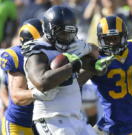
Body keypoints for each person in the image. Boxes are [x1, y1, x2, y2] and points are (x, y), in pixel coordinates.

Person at [22, 5, 98, 135]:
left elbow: (76, 80)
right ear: (49, 30)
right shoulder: (37, 49)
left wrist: (91, 57)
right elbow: (42, 82)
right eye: (62, 33)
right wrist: (73, 66)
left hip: (76, 117)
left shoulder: (72, 45)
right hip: (52, 119)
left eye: (70, 33)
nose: (67, 38)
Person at [0, 18, 43, 135]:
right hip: (19, 123)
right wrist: (42, 92)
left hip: (41, 123)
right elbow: (14, 95)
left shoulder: (51, 54)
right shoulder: (18, 57)